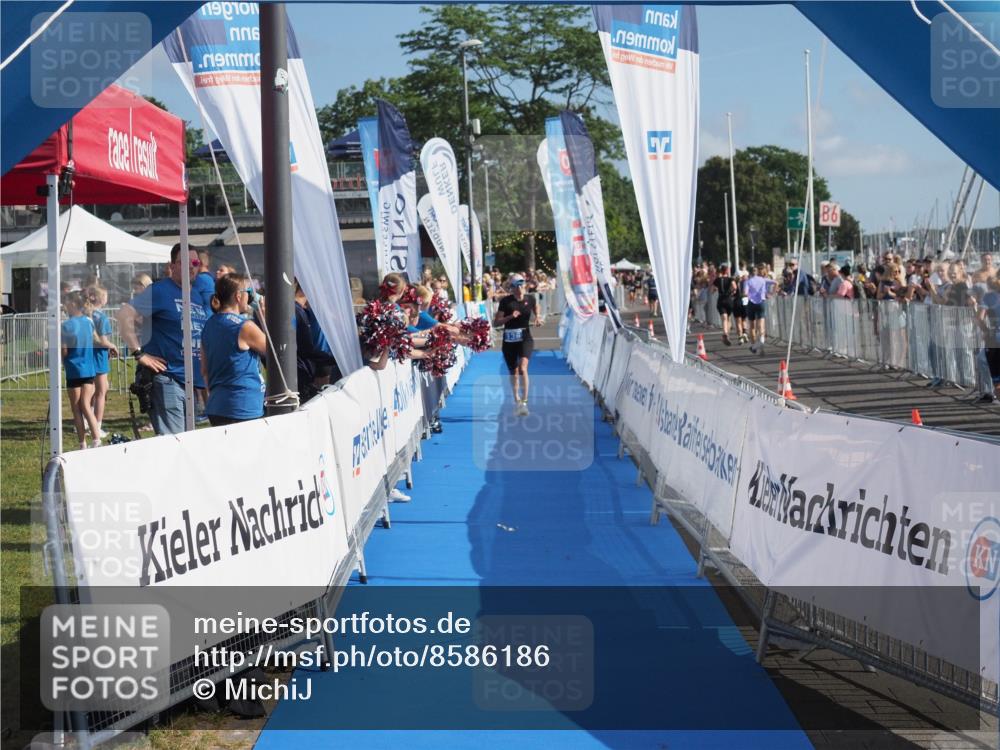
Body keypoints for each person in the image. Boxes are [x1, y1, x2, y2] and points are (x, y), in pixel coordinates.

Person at [116, 244, 209, 435]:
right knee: (174, 445)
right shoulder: (160, 290)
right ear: (172, 266)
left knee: (187, 443)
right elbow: (124, 315)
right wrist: (139, 353)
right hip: (167, 380)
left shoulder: (196, 295)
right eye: (184, 262)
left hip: (190, 383)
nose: (191, 267)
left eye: (195, 262)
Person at [200, 273, 267, 426]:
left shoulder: (209, 325)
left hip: (217, 406)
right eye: (248, 293)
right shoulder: (244, 326)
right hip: (243, 406)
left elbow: (204, 371)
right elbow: (277, 352)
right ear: (238, 296)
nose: (250, 297)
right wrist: (264, 318)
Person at [62, 292, 106, 450]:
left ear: (73, 305)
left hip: (73, 369)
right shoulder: (89, 322)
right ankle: (96, 439)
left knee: (76, 409)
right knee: (87, 405)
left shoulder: (66, 325)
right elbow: (95, 340)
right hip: (88, 369)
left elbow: (64, 351)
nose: (65, 306)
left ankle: (82, 443)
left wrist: (60, 359)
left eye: (67, 303)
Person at [493, 273, 535, 416]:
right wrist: (511, 316)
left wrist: (538, 318)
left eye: (522, 285)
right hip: (509, 340)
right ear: (512, 288)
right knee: (514, 371)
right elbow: (496, 322)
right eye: (517, 285)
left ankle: (524, 401)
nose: (520, 288)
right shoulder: (506, 302)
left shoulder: (531, 299)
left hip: (525, 337)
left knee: (523, 368)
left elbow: (537, 308)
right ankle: (517, 399)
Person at [87, 286, 115, 439]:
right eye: (105, 296)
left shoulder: (87, 315)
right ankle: (96, 425)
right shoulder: (101, 317)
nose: (106, 298)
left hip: (87, 356)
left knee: (90, 390)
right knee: (101, 393)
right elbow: (102, 341)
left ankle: (86, 420)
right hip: (98, 357)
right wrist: (112, 346)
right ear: (99, 298)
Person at [744, 264, 774, 355]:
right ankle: (760, 344)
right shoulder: (762, 280)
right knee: (761, 325)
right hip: (761, 302)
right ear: (756, 272)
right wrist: (771, 294)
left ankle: (754, 346)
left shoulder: (748, 281)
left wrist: (748, 295)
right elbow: (775, 282)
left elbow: (745, 293)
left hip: (751, 304)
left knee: (752, 326)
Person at [713, 264, 737, 345]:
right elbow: (734, 287)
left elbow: (713, 289)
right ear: (727, 270)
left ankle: (725, 333)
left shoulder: (718, 279)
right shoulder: (730, 279)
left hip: (721, 300)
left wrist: (716, 289)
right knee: (728, 318)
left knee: (724, 318)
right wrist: (732, 291)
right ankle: (727, 334)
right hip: (728, 300)